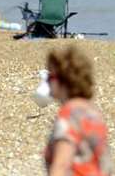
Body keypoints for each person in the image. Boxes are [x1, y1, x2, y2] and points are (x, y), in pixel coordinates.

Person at [43, 45, 112, 175]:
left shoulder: (69, 115)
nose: (46, 82)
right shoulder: (93, 113)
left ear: (64, 80)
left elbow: (61, 165)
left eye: (49, 77)